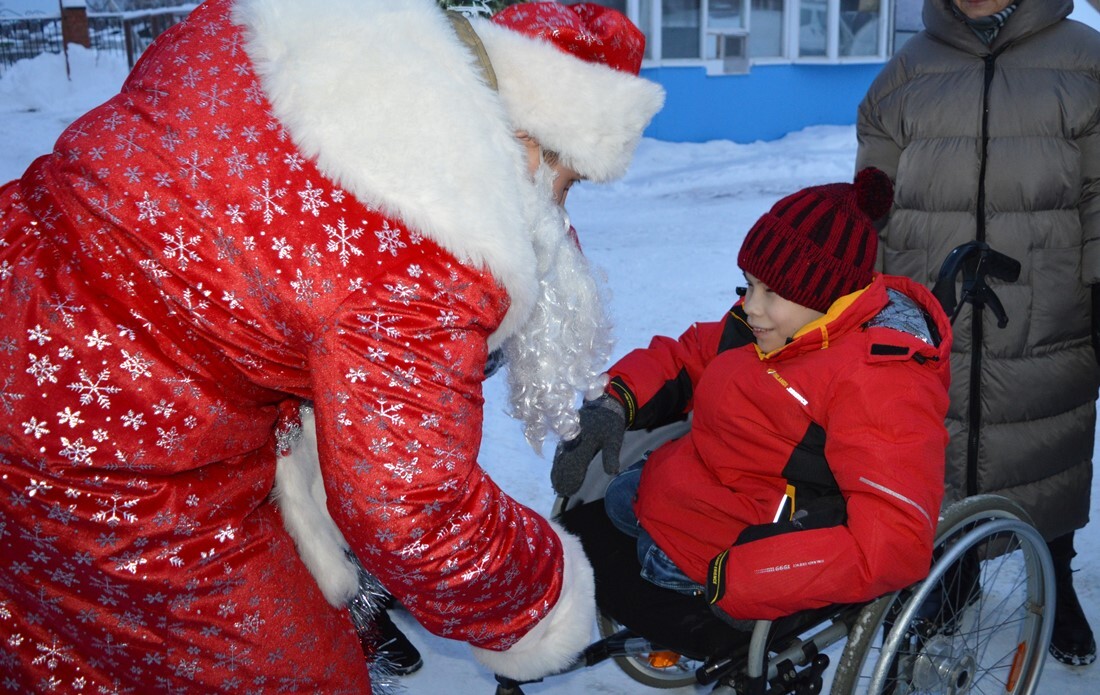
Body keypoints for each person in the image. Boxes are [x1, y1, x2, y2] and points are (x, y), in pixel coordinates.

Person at [0, 0, 665, 690]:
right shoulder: (432, 248)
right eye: (570, 180)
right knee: (298, 673)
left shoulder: (269, 24)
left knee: (52, 630)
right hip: (109, 440)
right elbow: (413, 509)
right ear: (531, 138)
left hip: (16, 278)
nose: (558, 208)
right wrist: (544, 591)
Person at [551, 169, 953, 653]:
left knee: (628, 557)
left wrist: (743, 577)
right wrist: (616, 400)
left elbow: (893, 541)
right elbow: (687, 356)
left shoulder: (880, 379)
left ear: (824, 297)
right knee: (615, 500)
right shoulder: (769, 325)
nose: (750, 306)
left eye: (771, 293)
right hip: (691, 490)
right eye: (749, 285)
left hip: (742, 548)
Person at [856, 0, 1100, 666]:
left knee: (1049, 444)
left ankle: (1055, 578)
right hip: (932, 305)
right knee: (939, 446)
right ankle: (953, 574)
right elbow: (869, 201)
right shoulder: (906, 72)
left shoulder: (1086, 60)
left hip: (1047, 305)